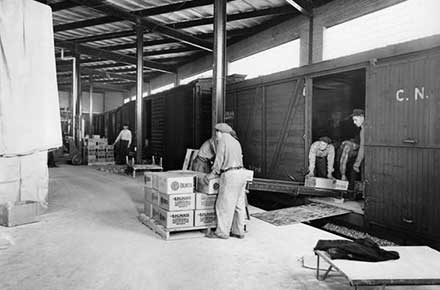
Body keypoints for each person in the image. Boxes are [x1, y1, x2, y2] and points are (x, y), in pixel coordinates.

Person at [205, 123, 247, 239]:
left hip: (230, 175)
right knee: (239, 204)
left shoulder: (223, 141)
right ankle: (239, 231)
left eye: (216, 133)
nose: (216, 136)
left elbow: (219, 159)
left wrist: (212, 174)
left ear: (220, 132)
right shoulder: (236, 142)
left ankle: (222, 232)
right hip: (241, 173)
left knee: (224, 205)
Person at [338, 109, 365, 182]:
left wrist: (356, 164)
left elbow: (363, 147)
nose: (354, 122)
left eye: (356, 120)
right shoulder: (362, 128)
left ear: (362, 116)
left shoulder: (364, 130)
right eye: (353, 120)